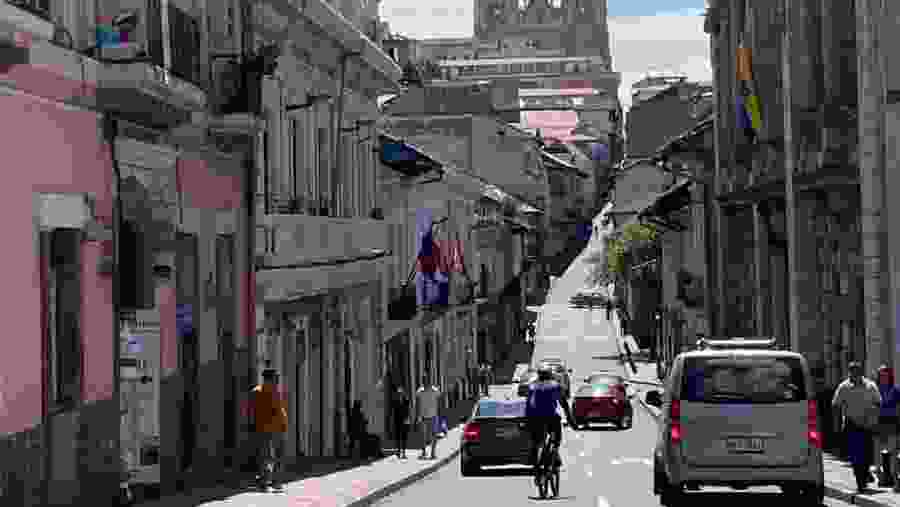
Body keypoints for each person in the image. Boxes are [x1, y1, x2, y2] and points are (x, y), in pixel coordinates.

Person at [833, 361, 882, 492]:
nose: (854, 373)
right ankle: (860, 482)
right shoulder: (844, 387)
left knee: (866, 454)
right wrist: (837, 425)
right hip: (851, 424)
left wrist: (873, 418)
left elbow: (878, 403)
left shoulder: (870, 386)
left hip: (867, 425)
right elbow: (836, 405)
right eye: (852, 371)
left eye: (857, 371)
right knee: (855, 455)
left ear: (861, 372)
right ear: (849, 372)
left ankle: (865, 474)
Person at [526, 365, 575, 482]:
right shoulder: (555, 386)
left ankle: (536, 467)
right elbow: (564, 404)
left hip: (535, 419)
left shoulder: (532, 386)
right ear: (550, 374)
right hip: (551, 418)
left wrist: (528, 420)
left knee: (536, 442)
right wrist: (571, 421)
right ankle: (554, 454)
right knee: (556, 439)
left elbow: (528, 405)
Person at [251, 368, 288, 492]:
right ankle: (273, 482)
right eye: (276, 377)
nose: (278, 379)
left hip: (266, 428)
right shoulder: (268, 392)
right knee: (274, 456)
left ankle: (265, 481)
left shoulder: (258, 391)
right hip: (271, 428)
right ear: (270, 378)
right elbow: (277, 410)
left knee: (265, 456)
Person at [876, 366, 900, 475]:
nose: (883, 377)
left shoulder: (895, 389)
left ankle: (892, 471)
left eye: (885, 375)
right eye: (881, 375)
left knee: (892, 447)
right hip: (878, 420)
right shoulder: (875, 388)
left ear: (890, 376)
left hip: (892, 420)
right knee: (879, 446)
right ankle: (879, 469)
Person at [415, 376, 441, 459]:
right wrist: (417, 416)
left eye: (426, 380)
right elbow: (417, 404)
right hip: (423, 417)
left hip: (433, 416)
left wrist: (440, 413)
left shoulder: (435, 390)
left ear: (429, 381)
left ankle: (433, 453)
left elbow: (440, 401)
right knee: (423, 436)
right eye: (423, 380)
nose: (425, 382)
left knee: (434, 435)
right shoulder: (419, 391)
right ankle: (423, 452)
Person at [393, 386, 412, 459]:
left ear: (403, 394)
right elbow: (393, 412)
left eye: (401, 393)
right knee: (397, 437)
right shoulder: (395, 401)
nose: (399, 394)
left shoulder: (406, 400)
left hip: (405, 420)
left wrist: (409, 418)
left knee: (404, 437)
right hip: (397, 420)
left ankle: (403, 452)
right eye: (398, 393)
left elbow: (409, 410)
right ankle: (398, 451)